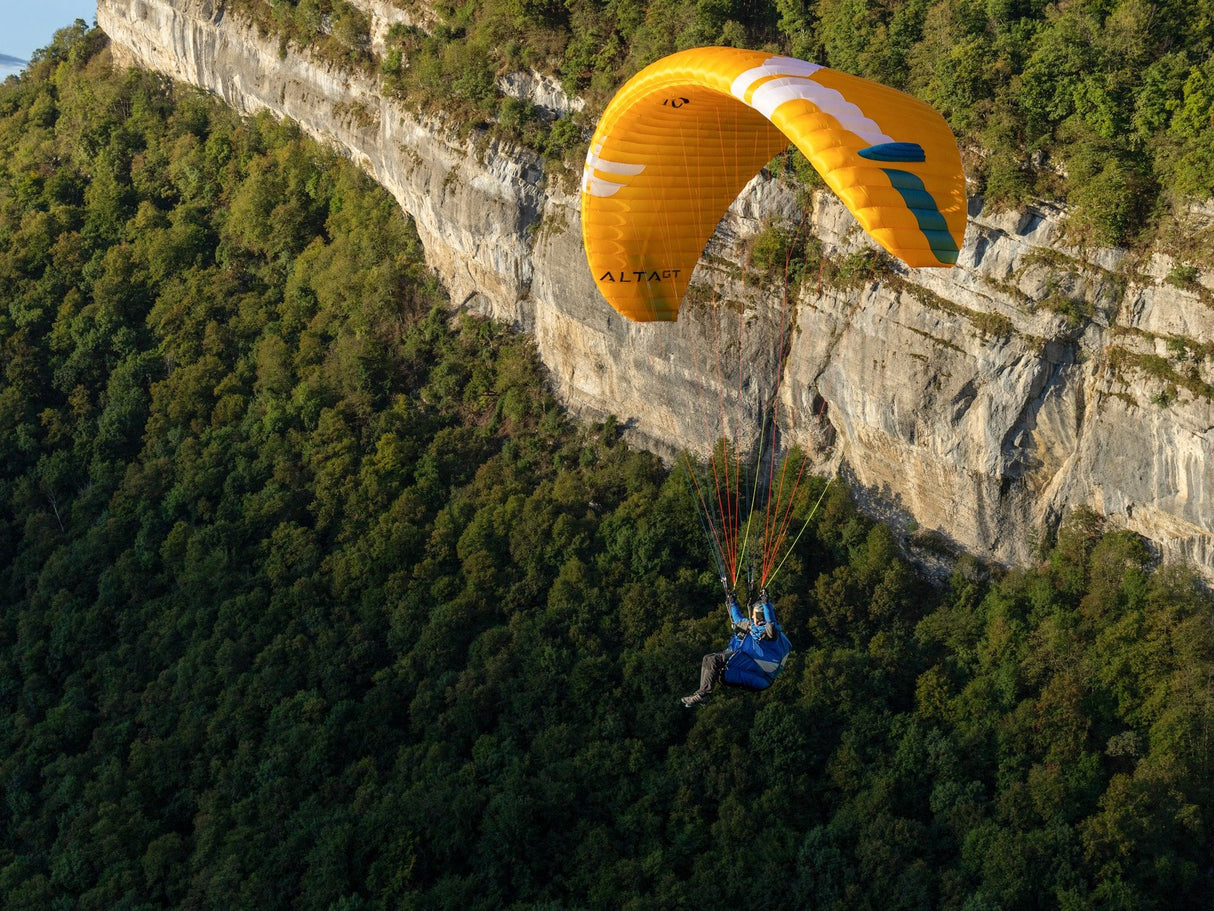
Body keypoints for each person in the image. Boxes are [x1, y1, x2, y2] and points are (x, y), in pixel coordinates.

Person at [681, 589, 790, 707]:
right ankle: (703, 694)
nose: (752, 616)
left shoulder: (770, 634)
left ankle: (703, 695)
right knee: (708, 659)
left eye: (754, 614)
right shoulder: (751, 625)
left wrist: (766, 604)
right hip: (745, 659)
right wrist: (733, 603)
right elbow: (737, 619)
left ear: (759, 616)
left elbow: (771, 625)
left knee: (714, 661)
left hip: (757, 670)